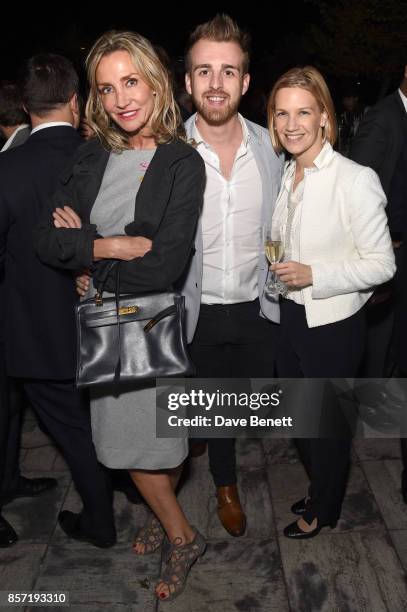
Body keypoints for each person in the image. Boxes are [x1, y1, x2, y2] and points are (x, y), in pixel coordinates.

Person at [34, 31, 206, 602]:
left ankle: (175, 532)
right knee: (125, 447)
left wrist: (85, 254)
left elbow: (163, 264)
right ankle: (174, 525)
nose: (119, 99)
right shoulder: (91, 154)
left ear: (155, 81)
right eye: (106, 88)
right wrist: (107, 248)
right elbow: (45, 242)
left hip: (150, 323)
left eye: (130, 81)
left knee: (157, 445)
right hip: (103, 327)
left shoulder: (181, 161)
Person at [265, 66, 395, 538]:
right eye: (282, 113)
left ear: (325, 117)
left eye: (303, 111)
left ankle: (325, 507)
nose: (292, 123)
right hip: (290, 317)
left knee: (328, 426)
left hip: (334, 323)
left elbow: (382, 265)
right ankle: (322, 485)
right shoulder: (287, 172)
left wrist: (315, 274)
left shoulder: (355, 179)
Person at [0, 56, 118, 549]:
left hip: (32, 331)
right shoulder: (105, 158)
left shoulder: (6, 168)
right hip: (106, 321)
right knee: (100, 419)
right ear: (76, 101)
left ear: (26, 107)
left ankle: (100, 520)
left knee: (75, 432)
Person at [181, 14, 282, 537]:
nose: (215, 83)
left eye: (227, 72)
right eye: (204, 71)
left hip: (256, 307)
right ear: (188, 81)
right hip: (191, 312)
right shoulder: (166, 151)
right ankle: (224, 483)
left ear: (244, 82)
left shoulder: (273, 149)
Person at [351, 65, 407, 504]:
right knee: (384, 335)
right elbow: (362, 183)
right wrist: (377, 241)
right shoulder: (385, 116)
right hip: (390, 251)